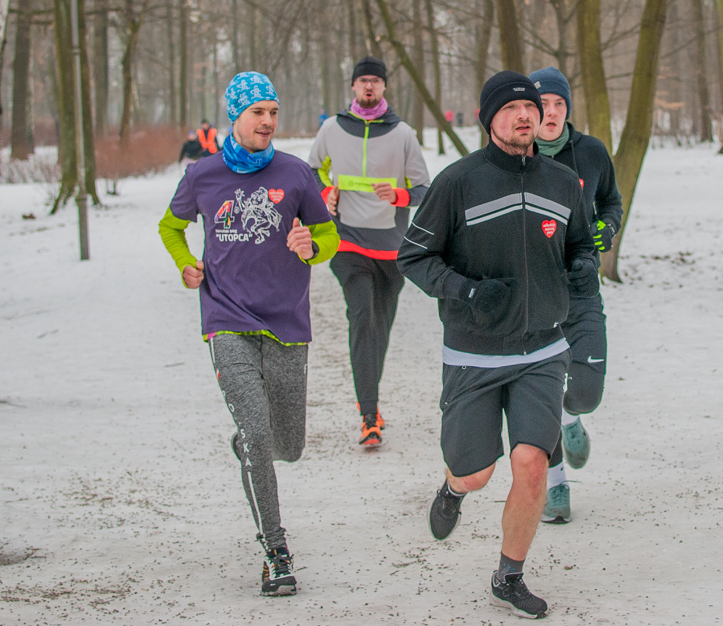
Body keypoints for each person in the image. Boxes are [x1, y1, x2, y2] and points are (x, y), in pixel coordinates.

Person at [399, 71, 598, 618]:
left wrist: (582, 264)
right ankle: (454, 489)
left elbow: (582, 242)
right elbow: (413, 257)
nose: (524, 116)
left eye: (530, 108)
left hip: (541, 350)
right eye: (511, 109)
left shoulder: (562, 182)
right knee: (476, 471)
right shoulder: (458, 181)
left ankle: (509, 575)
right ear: (490, 120)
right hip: (473, 352)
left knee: (532, 463)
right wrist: (465, 291)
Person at [158, 72, 339, 595]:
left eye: (273, 112)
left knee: (288, 444)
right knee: (260, 435)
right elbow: (171, 227)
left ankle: (250, 445)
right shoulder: (203, 174)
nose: (267, 121)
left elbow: (328, 237)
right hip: (226, 320)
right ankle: (275, 552)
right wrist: (185, 264)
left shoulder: (297, 174)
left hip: (286, 324)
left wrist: (313, 245)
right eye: (257, 112)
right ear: (235, 116)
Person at [309, 56, 432, 448]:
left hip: (391, 249)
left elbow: (425, 190)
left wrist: (397, 195)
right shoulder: (331, 129)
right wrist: (326, 193)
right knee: (361, 318)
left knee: (379, 328)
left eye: (374, 82)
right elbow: (311, 172)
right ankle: (368, 414)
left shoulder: (403, 135)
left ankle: (370, 402)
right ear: (352, 87)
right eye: (362, 81)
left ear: (383, 88)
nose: (368, 88)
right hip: (347, 242)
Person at [526, 67, 622, 525]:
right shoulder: (517, 157)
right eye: (543, 104)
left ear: (568, 108)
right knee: (539, 394)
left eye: (559, 104)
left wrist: (606, 228)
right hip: (534, 294)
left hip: (582, 288)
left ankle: (572, 418)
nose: (552, 112)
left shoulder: (592, 153)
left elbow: (611, 204)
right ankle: (557, 485)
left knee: (585, 391)